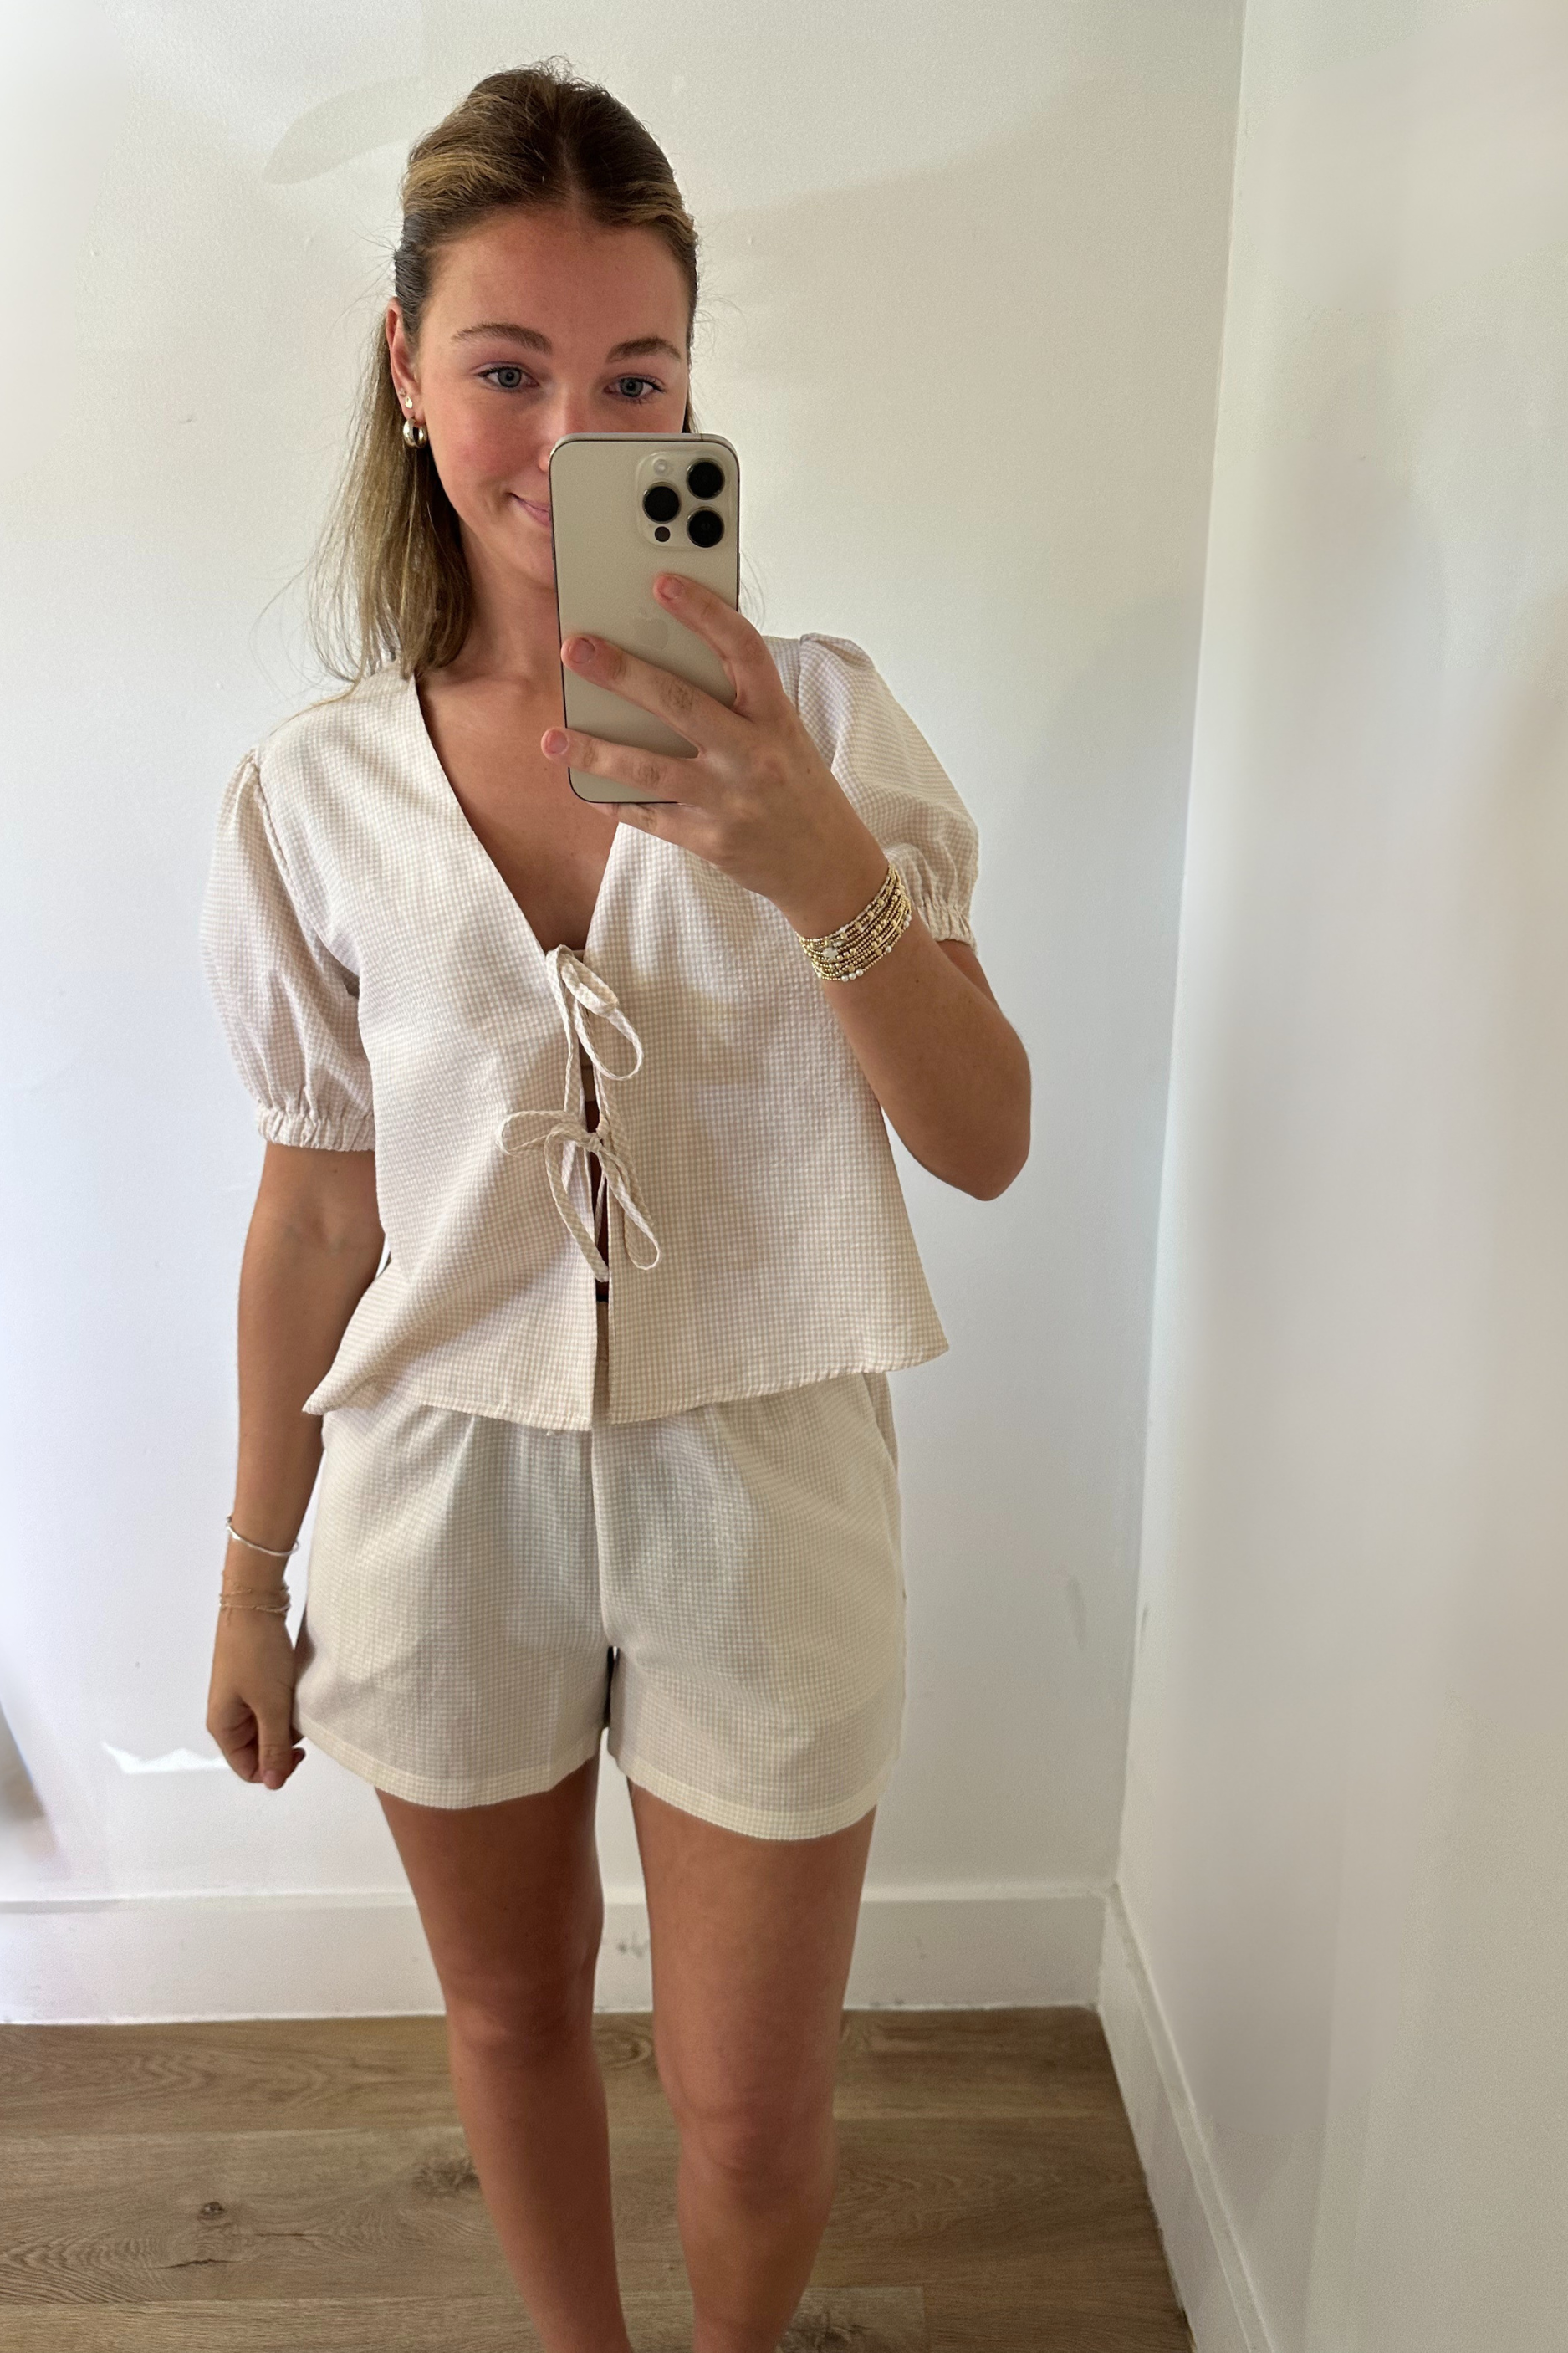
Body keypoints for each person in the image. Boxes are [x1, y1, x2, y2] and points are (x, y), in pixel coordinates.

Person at [198, 60, 1029, 2353]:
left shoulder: (825, 725)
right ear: (405, 368)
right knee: (508, 2014)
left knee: (751, 2112)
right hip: (440, 1479)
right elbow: (315, 1214)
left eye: (635, 377)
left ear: (691, 388)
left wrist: (810, 853)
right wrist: (252, 1569)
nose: (572, 430)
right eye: (509, 367)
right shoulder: (315, 798)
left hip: (770, 1470)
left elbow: (985, 1136)